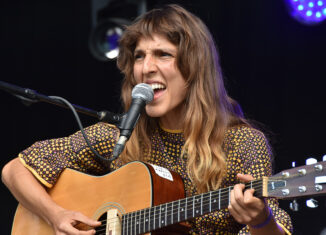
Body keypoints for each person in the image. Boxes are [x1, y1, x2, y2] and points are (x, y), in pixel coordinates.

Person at [2, 4, 292, 235]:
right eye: (139, 57)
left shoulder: (242, 143)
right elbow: (15, 169)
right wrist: (56, 216)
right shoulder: (117, 138)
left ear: (194, 69)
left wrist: (260, 221)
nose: (146, 68)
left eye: (163, 54)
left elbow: (272, 225)